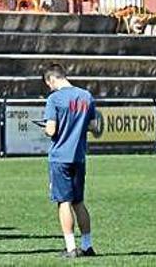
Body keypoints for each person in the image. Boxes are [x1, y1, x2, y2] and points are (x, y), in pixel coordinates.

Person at [42, 64, 96, 258]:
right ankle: (87, 245)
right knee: (79, 201)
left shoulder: (54, 99)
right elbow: (93, 126)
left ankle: (71, 247)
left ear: (52, 79)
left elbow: (51, 130)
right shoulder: (86, 96)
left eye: (48, 84)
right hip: (79, 156)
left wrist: (46, 128)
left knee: (63, 202)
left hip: (60, 157)